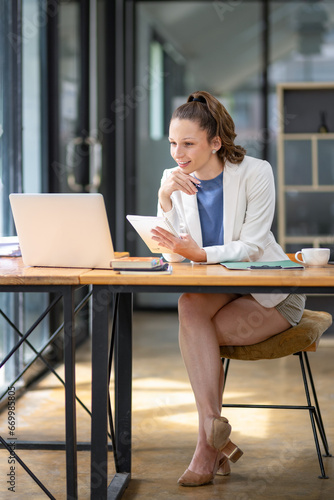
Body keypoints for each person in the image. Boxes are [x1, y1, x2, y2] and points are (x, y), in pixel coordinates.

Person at [151, 90, 306, 487]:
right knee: (190, 306)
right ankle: (213, 435)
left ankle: (208, 446)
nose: (177, 152)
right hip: (220, 290)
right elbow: (169, 252)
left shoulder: (256, 172)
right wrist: (164, 198)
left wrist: (199, 254)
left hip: (269, 293)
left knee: (195, 334)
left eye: (188, 143)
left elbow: (252, 246)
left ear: (215, 142)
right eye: (172, 143)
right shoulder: (177, 182)